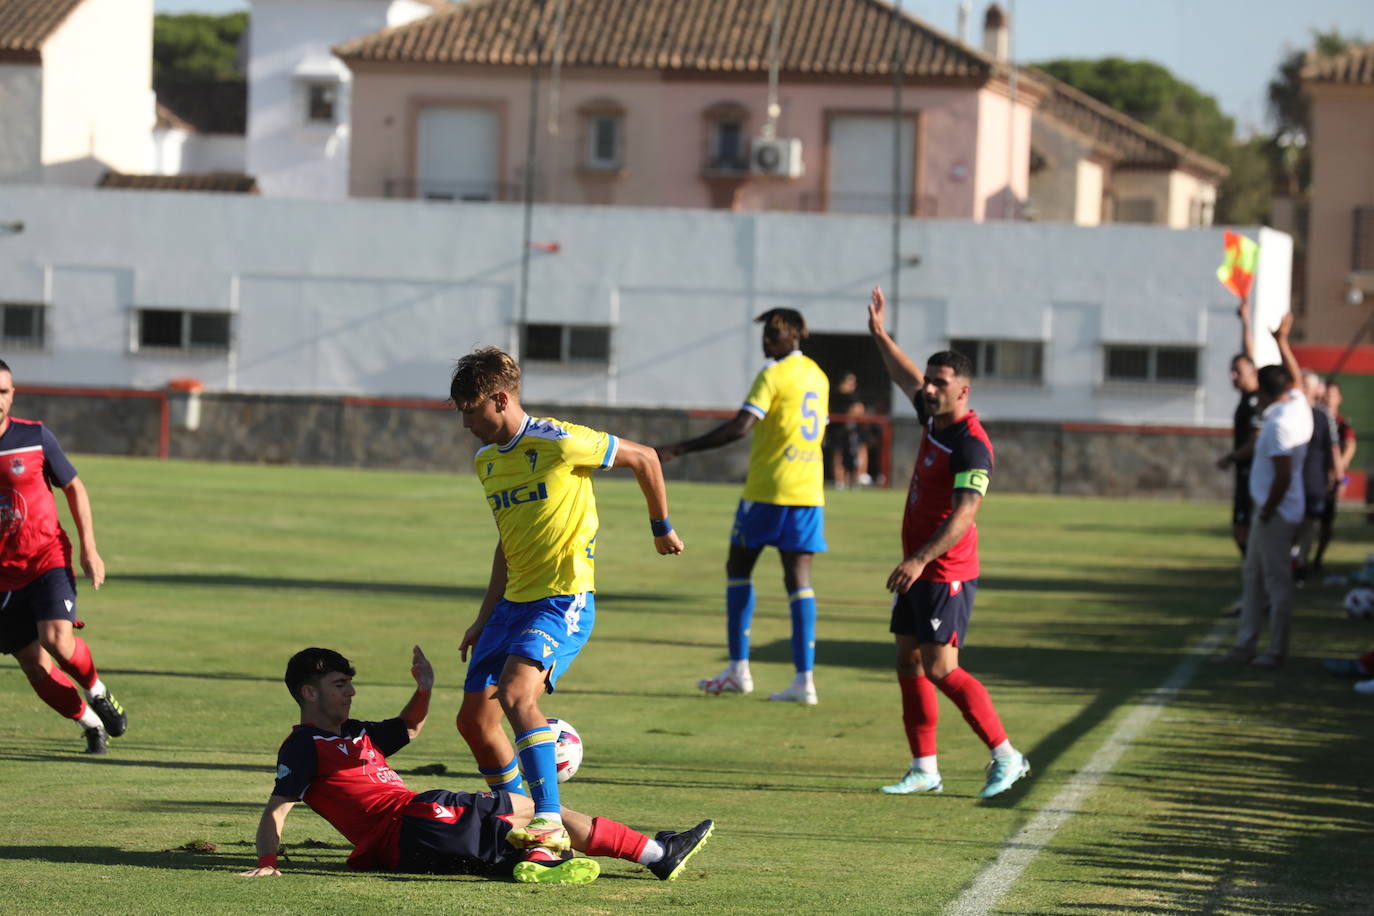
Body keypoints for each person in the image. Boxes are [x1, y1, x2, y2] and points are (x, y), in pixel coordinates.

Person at [450, 347, 684, 865]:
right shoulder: (488, 462)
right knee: (474, 722)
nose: (466, 423)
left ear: (500, 399)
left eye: (471, 410)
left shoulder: (559, 441)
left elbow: (645, 457)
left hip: (562, 598)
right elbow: (508, 544)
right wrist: (484, 617)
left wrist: (661, 527)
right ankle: (518, 812)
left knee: (516, 695)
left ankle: (549, 822)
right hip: (511, 606)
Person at [240, 647, 713, 885]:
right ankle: (650, 853)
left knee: (504, 834)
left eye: (349, 683)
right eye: (340, 684)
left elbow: (408, 728)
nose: (351, 692)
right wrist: (266, 862)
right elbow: (277, 807)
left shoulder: (357, 733)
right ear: (309, 693)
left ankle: (534, 862)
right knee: (532, 808)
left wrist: (424, 688)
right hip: (411, 821)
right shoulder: (303, 747)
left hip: (415, 839)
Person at [864, 287, 1030, 799]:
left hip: (945, 571)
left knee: (941, 667)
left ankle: (1007, 755)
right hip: (918, 568)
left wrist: (918, 559)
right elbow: (905, 376)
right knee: (908, 661)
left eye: (941, 383)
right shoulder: (934, 416)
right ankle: (925, 769)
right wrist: (880, 334)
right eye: (931, 381)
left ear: (963, 391)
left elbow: (965, 514)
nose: (930, 389)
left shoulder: (971, 445)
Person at [655, 309, 830, 705]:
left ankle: (738, 670)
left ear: (795, 336)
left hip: (769, 491)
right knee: (799, 581)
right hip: (809, 492)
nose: (766, 341)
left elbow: (740, 427)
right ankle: (804, 680)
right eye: (766, 334)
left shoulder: (773, 375)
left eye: (774, 334)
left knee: (738, 568)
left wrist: (680, 448)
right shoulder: (818, 375)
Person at [0, 359, 125, 754]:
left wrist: (89, 548)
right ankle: (90, 723)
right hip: (2, 579)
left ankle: (97, 690)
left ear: (12, 394)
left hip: (45, 558)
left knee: (56, 639)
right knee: (35, 666)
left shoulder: (34, 437)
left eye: (3, 392)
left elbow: (74, 487)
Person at [1212, 313, 1311, 668]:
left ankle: (1275, 651)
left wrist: (1267, 510)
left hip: (1276, 512)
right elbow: (1296, 378)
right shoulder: (1296, 404)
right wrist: (1281, 342)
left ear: (1265, 393)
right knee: (1253, 577)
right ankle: (1245, 645)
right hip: (1269, 510)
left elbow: (1282, 476)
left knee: (1277, 584)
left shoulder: (1280, 423)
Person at [1215, 299, 1263, 615]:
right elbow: (1248, 354)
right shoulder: (1249, 396)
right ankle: (1256, 588)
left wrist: (1232, 457)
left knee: (1247, 532)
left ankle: (1258, 591)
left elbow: (1257, 440)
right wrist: (1244, 321)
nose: (1233, 376)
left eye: (1238, 371)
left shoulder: (1258, 399)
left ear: (1252, 372)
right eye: (1231, 371)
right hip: (1245, 474)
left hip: (1253, 475)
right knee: (1242, 531)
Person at [1293, 369, 1341, 584]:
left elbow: (1333, 449)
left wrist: (1338, 477)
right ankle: (1291, 561)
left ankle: (1301, 564)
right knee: (1290, 524)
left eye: (1307, 386)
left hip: (1313, 481)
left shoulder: (1322, 417)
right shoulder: (1288, 413)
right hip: (1291, 479)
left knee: (1308, 523)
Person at [1313, 379, 1357, 572]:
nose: (1328, 399)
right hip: (1315, 476)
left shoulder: (1341, 423)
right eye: (1326, 395)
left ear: (1339, 398)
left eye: (1332, 395)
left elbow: (1349, 446)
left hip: (1330, 480)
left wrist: (1339, 473)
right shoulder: (1314, 418)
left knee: (1326, 520)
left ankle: (1318, 558)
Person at [828, 372, 871, 488]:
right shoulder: (834, 396)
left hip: (852, 430)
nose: (852, 385)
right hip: (838, 430)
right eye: (849, 382)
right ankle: (840, 481)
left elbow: (859, 410)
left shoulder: (854, 396)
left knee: (858, 451)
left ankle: (858, 478)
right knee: (838, 454)